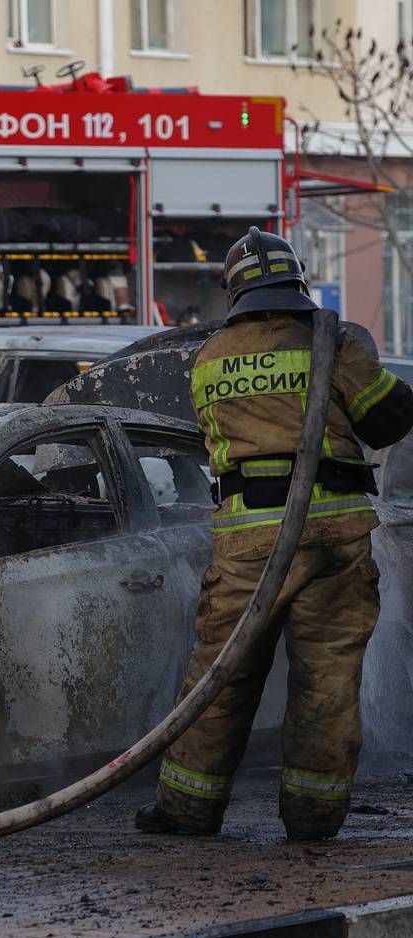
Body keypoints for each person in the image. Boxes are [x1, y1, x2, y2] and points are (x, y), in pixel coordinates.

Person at [136, 227, 413, 841]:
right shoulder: (332, 342)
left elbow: (220, 448)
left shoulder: (210, 358)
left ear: (235, 292)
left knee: (222, 675)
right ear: (298, 283)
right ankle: (313, 820)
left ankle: (187, 811)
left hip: (248, 543)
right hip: (336, 536)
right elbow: (389, 417)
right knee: (328, 678)